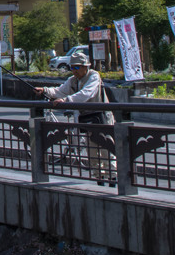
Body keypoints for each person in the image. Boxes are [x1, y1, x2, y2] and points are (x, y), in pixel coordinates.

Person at [34, 52, 115, 185]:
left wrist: (66, 100)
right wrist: (44, 90)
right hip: (86, 118)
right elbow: (60, 90)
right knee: (91, 148)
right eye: (72, 68)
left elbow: (86, 93)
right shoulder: (73, 80)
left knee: (107, 147)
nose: (74, 71)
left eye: (77, 68)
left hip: (102, 116)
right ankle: (99, 176)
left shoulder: (94, 76)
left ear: (85, 67)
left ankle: (113, 177)